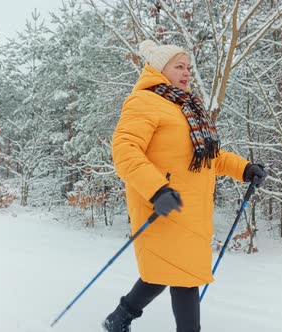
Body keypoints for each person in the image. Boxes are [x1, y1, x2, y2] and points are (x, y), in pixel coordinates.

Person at [103, 40, 267, 332]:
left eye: (188, 67)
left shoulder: (186, 106)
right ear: (159, 68)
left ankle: (120, 317)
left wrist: (244, 168)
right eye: (179, 66)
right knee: (185, 277)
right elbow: (125, 151)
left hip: (191, 209)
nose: (187, 73)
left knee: (162, 272)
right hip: (161, 205)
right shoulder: (143, 101)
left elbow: (209, 157)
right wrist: (156, 190)